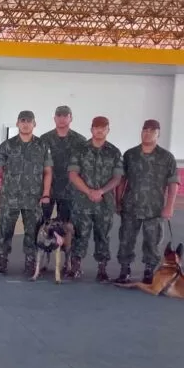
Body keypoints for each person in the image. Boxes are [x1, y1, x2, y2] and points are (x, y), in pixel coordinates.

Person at [114, 119, 180, 284]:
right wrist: (118, 200)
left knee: (153, 241)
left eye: (152, 131)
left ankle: (149, 271)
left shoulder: (166, 157)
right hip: (131, 206)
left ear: (158, 134)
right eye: (145, 130)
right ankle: (124, 270)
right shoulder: (130, 155)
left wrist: (170, 206)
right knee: (126, 239)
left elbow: (173, 183)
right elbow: (122, 180)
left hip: (155, 208)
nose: (147, 133)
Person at [0, 111, 53, 276]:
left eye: (29, 121)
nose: (26, 124)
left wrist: (46, 193)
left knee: (32, 231)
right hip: (10, 196)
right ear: (18, 123)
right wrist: (10, 180)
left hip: (33, 197)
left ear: (35, 124)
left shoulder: (42, 145)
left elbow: (48, 171)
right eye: (22, 121)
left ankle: (30, 261)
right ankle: (2, 260)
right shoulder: (7, 145)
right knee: (4, 230)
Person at [67, 116, 123, 281]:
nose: (99, 130)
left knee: (103, 236)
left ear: (108, 130)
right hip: (82, 202)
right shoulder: (80, 149)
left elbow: (118, 178)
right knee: (79, 235)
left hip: (104, 204)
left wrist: (101, 191)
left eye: (103, 128)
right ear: (91, 129)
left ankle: (102, 269)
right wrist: (89, 191)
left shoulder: (114, 152)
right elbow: (73, 174)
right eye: (96, 127)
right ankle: (75, 267)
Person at [39, 105, 87, 222]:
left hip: (69, 189)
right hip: (47, 188)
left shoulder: (80, 140)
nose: (62, 118)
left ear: (71, 118)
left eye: (65, 116)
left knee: (67, 225)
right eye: (59, 115)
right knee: (41, 222)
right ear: (54, 118)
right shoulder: (44, 139)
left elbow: (84, 166)